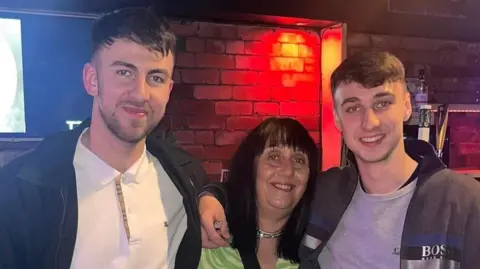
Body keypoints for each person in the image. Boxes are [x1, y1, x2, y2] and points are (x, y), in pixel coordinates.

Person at [198, 51, 480, 269]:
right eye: (353, 107)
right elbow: (264, 193)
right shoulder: (328, 192)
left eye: (382, 103)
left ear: (407, 106)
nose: (369, 122)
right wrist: (209, 197)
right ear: (337, 119)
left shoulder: (464, 201)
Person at [0, 7, 207, 269]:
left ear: (168, 90)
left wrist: (211, 195)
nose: (140, 93)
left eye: (155, 77)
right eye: (124, 72)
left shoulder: (184, 178)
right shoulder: (22, 191)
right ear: (91, 79)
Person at [198, 117, 319, 269]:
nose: (288, 171)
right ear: (250, 167)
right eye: (274, 157)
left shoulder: (316, 251)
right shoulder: (209, 233)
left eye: (299, 160)